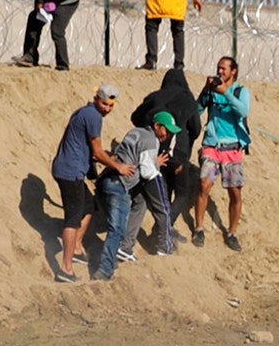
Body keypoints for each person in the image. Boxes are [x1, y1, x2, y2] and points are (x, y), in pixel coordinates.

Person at [50, 84, 131, 283]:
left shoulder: (85, 112)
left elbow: (88, 149)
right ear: (96, 99)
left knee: (89, 206)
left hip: (70, 169)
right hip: (70, 173)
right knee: (72, 219)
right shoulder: (93, 116)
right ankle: (65, 269)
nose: (107, 109)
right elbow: (97, 151)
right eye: (104, 104)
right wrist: (118, 166)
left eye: (111, 105)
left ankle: (76, 248)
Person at [95, 110, 178, 280]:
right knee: (116, 230)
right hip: (120, 184)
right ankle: (105, 269)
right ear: (156, 126)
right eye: (166, 130)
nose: (167, 135)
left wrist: (153, 162)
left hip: (106, 180)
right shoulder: (151, 140)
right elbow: (147, 172)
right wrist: (158, 178)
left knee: (141, 202)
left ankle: (124, 249)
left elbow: (129, 157)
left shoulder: (136, 133)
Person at [131, 68, 202, 233]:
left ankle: (161, 227)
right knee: (181, 193)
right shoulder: (188, 99)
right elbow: (196, 128)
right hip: (179, 153)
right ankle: (164, 227)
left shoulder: (155, 97)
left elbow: (135, 117)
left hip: (154, 150)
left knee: (164, 192)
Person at [193, 56, 249, 251]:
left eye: (223, 68)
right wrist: (206, 90)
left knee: (235, 191)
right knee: (204, 183)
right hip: (211, 145)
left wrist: (225, 93)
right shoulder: (212, 91)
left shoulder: (240, 91)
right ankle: (199, 228)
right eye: (218, 68)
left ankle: (232, 232)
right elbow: (197, 110)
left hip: (232, 149)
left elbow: (242, 111)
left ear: (233, 71)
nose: (220, 72)